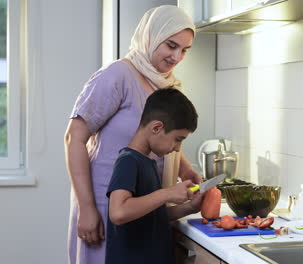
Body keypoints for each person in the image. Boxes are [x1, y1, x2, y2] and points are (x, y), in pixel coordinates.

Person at [64, 5, 202, 264]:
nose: (176, 56)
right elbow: (74, 138)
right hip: (106, 209)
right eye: (171, 45)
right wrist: (87, 208)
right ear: (150, 37)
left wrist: (186, 170)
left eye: (184, 50)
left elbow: (164, 137)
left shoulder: (167, 83)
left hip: (144, 211)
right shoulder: (117, 75)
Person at [106, 88, 201, 264]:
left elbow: (152, 217)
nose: (178, 148)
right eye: (178, 139)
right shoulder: (128, 161)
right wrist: (167, 193)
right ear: (157, 127)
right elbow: (118, 212)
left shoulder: (148, 162)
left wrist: (190, 208)